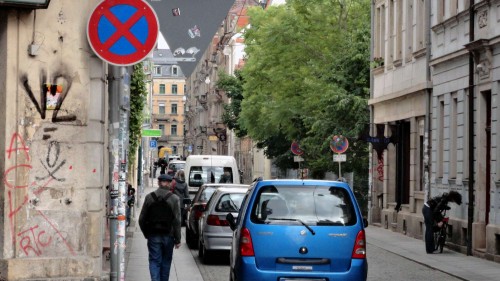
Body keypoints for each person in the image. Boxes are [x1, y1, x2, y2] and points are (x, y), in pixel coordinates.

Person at [139, 174, 181, 281]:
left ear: (158, 183)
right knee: (166, 262)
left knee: (154, 261)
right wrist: (178, 239)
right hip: (169, 236)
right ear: (170, 183)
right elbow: (177, 221)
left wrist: (146, 233)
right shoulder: (174, 199)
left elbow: (141, 219)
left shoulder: (149, 197)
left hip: (153, 235)